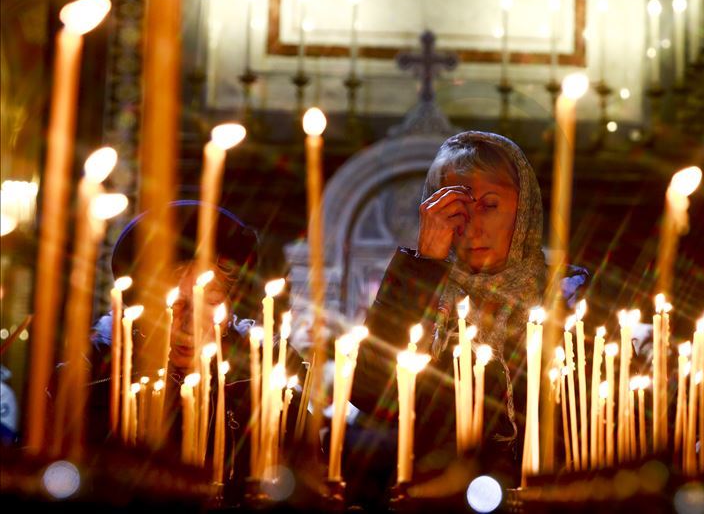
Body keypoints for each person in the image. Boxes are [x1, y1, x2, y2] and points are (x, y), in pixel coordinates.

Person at [349, 132, 587, 505]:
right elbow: (370, 391)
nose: (472, 228)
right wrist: (424, 265)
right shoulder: (422, 292)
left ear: (524, 209)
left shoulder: (568, 299)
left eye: (489, 205)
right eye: (456, 209)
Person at [84, 201, 304, 502]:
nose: (189, 326)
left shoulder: (265, 377)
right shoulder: (95, 374)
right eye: (175, 304)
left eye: (211, 303)